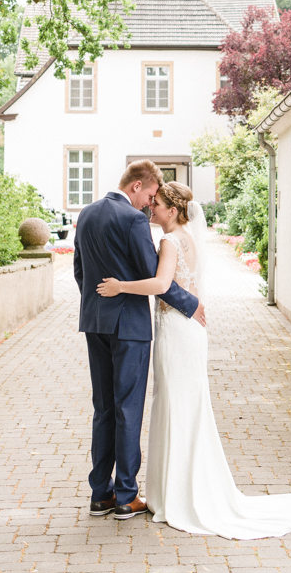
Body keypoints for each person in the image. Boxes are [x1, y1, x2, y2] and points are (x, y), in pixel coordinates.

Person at [97, 182, 291, 539]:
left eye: (156, 205)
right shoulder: (189, 238)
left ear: (172, 211)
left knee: (175, 407)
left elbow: (161, 286)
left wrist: (120, 286)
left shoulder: (169, 241)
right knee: (186, 408)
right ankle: (177, 489)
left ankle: (177, 494)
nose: (151, 210)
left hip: (176, 331)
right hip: (188, 331)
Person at [72, 160, 206, 521]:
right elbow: (154, 274)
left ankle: (100, 494)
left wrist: (98, 305)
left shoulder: (86, 213)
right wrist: (191, 305)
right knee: (127, 408)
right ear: (136, 186)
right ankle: (126, 496)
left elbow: (80, 272)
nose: (150, 203)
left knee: (103, 408)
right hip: (129, 326)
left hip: (94, 323)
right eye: (150, 194)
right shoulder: (131, 220)